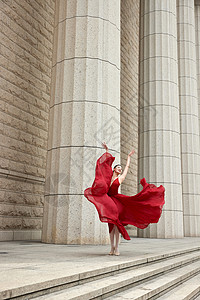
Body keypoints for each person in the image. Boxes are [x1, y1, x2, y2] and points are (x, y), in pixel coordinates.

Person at [84, 142, 165, 256]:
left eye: (121, 168)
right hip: (108, 201)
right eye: (118, 167)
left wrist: (128, 157)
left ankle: (116, 248)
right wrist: (107, 151)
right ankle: (111, 248)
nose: (120, 169)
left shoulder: (120, 178)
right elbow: (104, 166)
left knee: (117, 226)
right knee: (110, 226)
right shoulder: (108, 177)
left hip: (118, 202)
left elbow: (127, 168)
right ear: (114, 169)